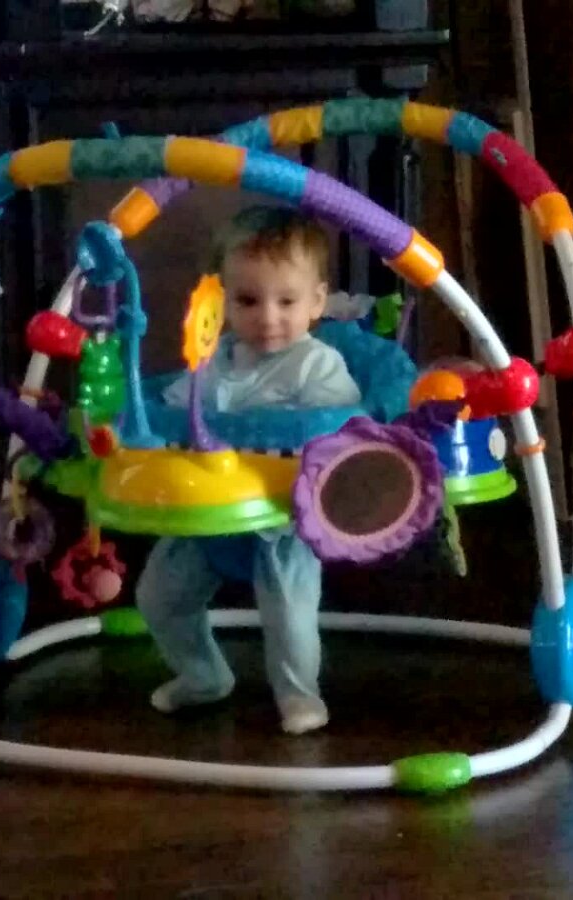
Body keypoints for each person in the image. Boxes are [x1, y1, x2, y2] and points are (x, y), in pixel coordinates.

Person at [138, 205, 361, 735]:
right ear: (219, 301)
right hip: (206, 514)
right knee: (159, 597)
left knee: (289, 617)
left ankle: (300, 695)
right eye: (247, 300)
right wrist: (141, 412)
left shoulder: (316, 364)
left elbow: (341, 425)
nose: (267, 317)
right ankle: (202, 675)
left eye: (286, 301)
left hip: (281, 515)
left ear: (316, 302)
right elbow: (170, 407)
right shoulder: (214, 362)